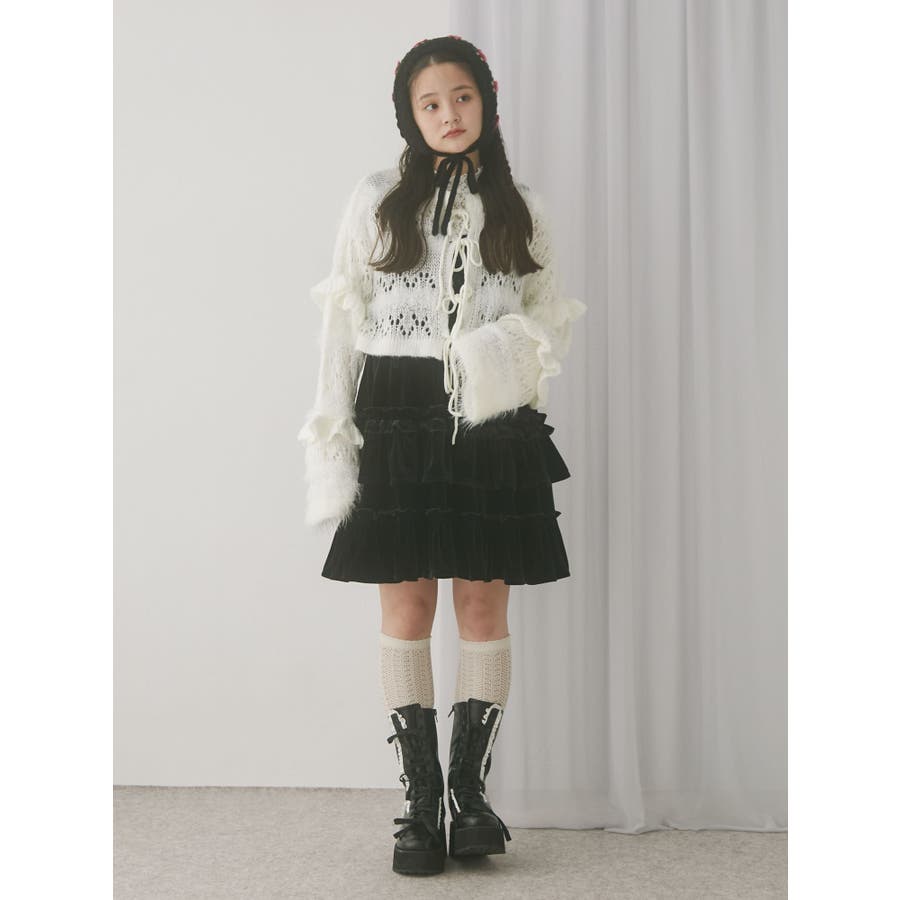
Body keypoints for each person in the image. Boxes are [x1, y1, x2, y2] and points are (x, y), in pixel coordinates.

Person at [297, 35, 587, 876]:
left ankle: (470, 796)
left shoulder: (522, 207)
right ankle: (420, 803)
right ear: (410, 115)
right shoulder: (376, 200)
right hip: (395, 409)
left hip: (490, 416)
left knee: (484, 604)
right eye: (430, 103)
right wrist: (333, 433)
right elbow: (340, 320)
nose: (449, 114)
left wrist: (497, 355)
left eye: (461, 97)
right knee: (408, 602)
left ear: (485, 102)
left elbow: (550, 316)